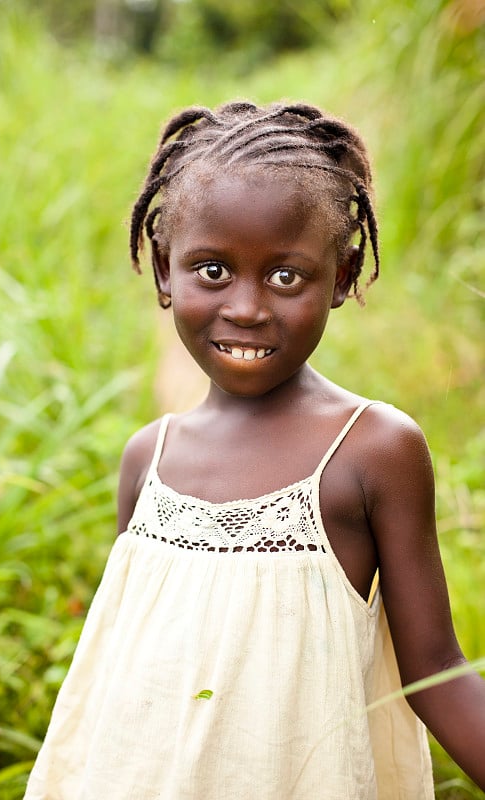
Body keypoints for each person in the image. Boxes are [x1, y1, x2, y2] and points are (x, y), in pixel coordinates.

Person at [24, 101, 485, 799]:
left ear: (341, 275)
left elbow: (435, 670)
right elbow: (117, 682)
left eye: (284, 276)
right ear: (161, 270)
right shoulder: (148, 458)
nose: (246, 307)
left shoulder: (371, 450)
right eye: (211, 270)